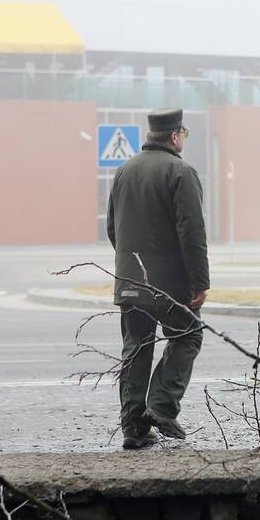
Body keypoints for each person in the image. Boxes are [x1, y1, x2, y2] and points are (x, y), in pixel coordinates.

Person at [106, 107, 210, 450]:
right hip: (167, 284)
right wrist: (199, 282)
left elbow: (112, 228)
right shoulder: (180, 172)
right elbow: (191, 232)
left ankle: (134, 429)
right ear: (175, 136)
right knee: (188, 335)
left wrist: (129, 267)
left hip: (128, 280)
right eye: (185, 136)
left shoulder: (123, 171)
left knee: (136, 347)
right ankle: (162, 406)